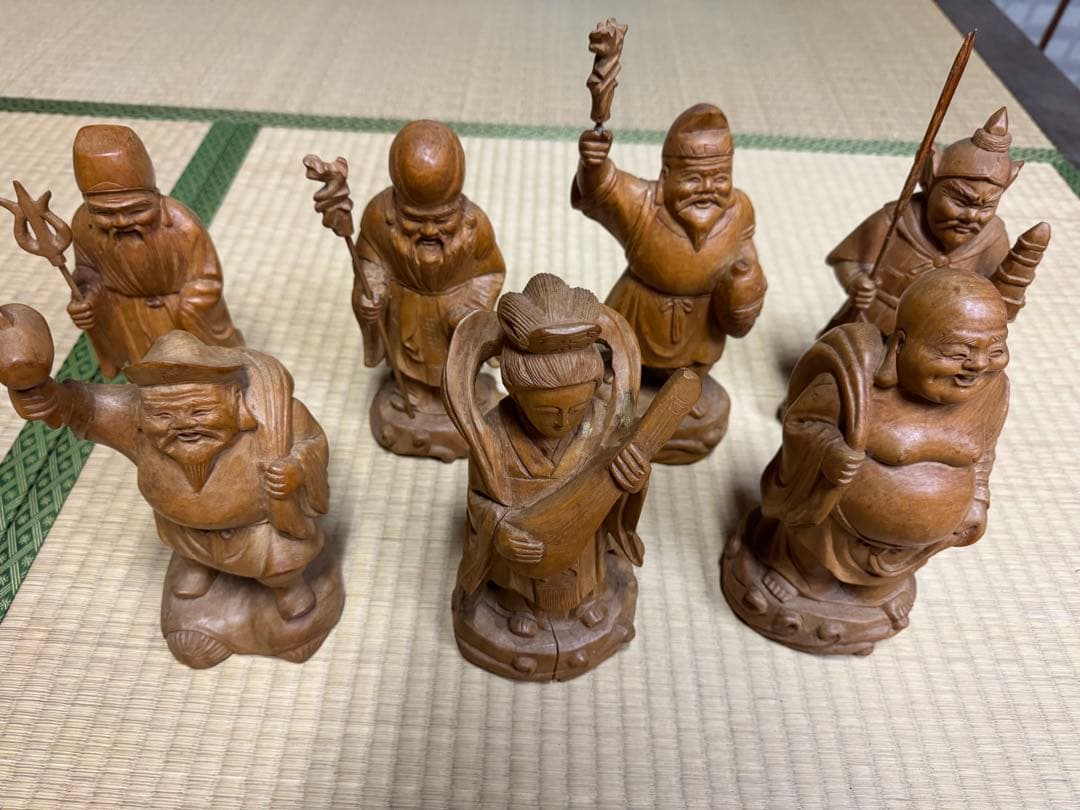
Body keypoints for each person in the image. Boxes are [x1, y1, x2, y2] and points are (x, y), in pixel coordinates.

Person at [722, 269, 1010, 655]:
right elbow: (802, 421)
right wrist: (830, 452)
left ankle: (875, 592)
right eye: (958, 353)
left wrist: (977, 500)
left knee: (879, 586)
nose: (978, 365)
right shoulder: (853, 377)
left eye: (995, 350)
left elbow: (984, 454)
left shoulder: (991, 393)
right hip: (833, 522)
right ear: (901, 344)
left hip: (913, 546)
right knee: (809, 558)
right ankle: (791, 573)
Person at [9, 330, 335, 667]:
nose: (183, 425)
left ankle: (288, 589)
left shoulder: (278, 416)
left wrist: (296, 469)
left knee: (280, 560)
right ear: (141, 412)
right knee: (188, 551)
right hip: (184, 529)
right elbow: (84, 406)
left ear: (237, 403)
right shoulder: (132, 417)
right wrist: (46, 395)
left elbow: (313, 443)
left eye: (200, 411)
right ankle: (199, 567)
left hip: (260, 528)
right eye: (163, 416)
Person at [445, 274, 654, 680]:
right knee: (520, 570)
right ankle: (521, 608)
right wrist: (500, 528)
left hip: (583, 542)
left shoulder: (603, 427)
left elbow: (620, 490)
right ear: (516, 394)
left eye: (575, 408)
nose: (563, 421)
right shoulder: (495, 434)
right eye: (548, 412)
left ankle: (586, 600)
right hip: (526, 547)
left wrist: (634, 480)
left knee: (586, 564)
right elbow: (478, 500)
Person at [572, 103, 766, 462]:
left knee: (696, 365)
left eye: (720, 178)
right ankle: (621, 386)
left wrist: (746, 282)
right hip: (640, 305)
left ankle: (685, 394)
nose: (707, 189)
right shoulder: (644, 204)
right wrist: (594, 164)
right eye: (692, 179)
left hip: (702, 315)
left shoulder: (740, 210)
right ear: (665, 175)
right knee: (621, 355)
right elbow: (604, 190)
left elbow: (747, 255)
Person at [352, 120, 505, 459]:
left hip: (456, 308)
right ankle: (417, 392)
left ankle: (456, 395)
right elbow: (370, 259)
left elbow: (490, 271)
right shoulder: (378, 215)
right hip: (405, 304)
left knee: (454, 360)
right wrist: (372, 290)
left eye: (442, 219)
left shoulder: (476, 224)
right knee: (411, 358)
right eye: (414, 219)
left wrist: (472, 308)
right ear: (396, 205)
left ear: (458, 205)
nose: (429, 231)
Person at [824, 107, 1038, 334]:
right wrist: (857, 280)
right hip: (874, 322)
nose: (971, 216)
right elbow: (847, 259)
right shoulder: (896, 218)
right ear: (929, 183)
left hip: (941, 335)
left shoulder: (993, 236)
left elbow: (995, 296)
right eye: (959, 201)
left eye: (986, 207)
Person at [66, 125, 243, 378]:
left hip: (178, 316)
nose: (121, 221)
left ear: (155, 197)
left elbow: (207, 278)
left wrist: (188, 306)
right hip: (129, 318)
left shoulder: (182, 225)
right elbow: (88, 271)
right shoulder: (83, 224)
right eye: (105, 213)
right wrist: (87, 298)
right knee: (147, 375)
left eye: (136, 209)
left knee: (197, 373)